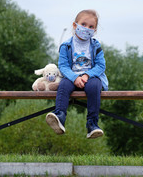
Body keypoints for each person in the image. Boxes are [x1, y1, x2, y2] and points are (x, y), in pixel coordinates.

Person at [46, 9, 109, 139]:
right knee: (63, 85)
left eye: (91, 27)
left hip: (90, 78)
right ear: (75, 25)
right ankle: (59, 117)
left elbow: (101, 66)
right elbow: (63, 66)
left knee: (94, 86)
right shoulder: (66, 46)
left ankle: (92, 124)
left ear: (95, 30)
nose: (87, 28)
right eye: (83, 24)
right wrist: (75, 78)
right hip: (71, 77)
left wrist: (87, 75)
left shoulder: (96, 46)